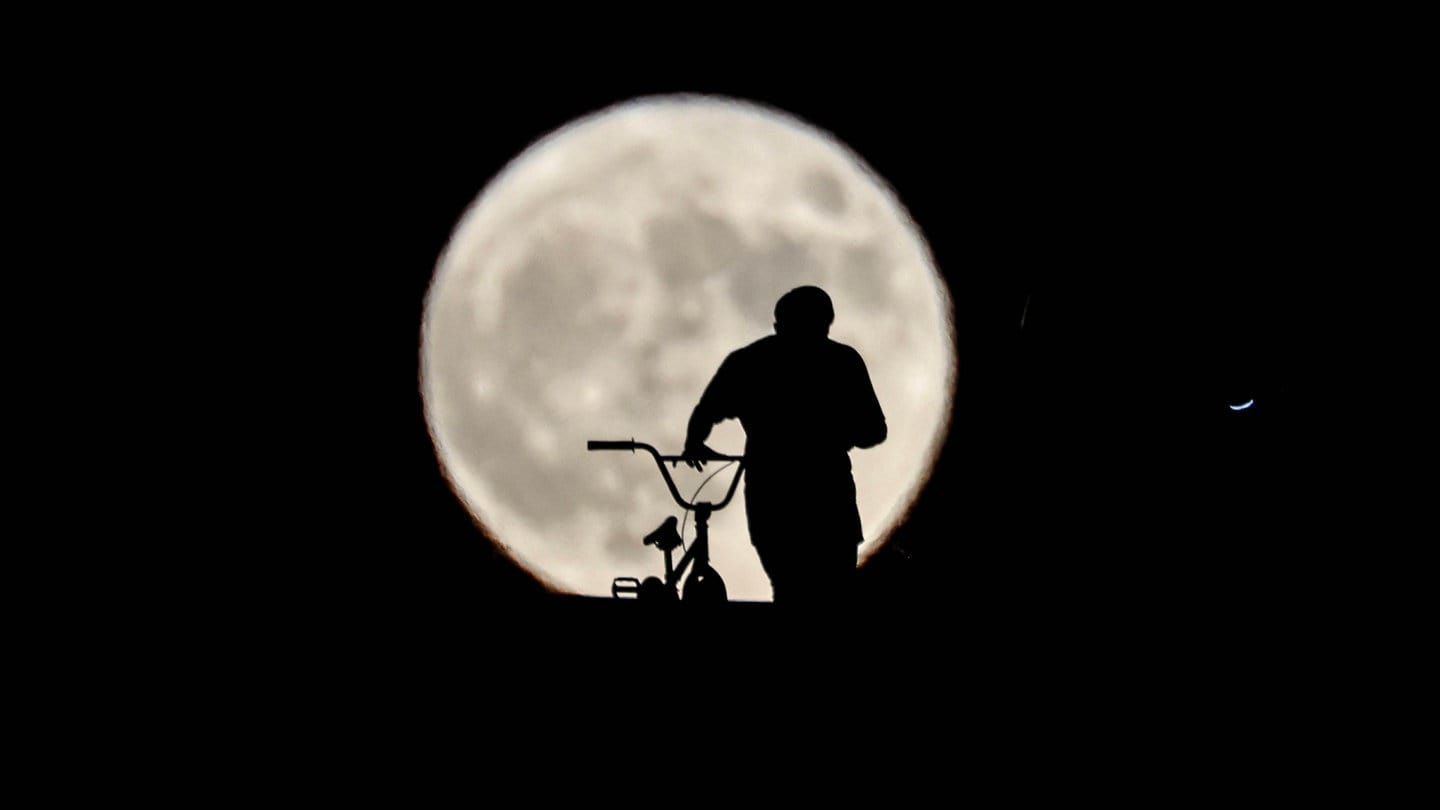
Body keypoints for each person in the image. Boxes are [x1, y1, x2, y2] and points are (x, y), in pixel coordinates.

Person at [682, 286, 886, 606]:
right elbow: (873, 432)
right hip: (827, 498)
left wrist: (694, 442)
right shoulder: (843, 362)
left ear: (779, 324)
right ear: (825, 322)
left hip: (774, 498)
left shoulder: (748, 362)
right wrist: (833, 437)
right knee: (834, 592)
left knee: (790, 590)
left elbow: (705, 413)